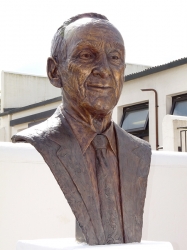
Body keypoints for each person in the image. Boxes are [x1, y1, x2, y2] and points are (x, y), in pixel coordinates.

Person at [12, 13, 151, 245]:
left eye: (114, 57)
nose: (104, 69)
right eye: (87, 55)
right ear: (55, 72)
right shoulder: (39, 145)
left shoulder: (139, 153)